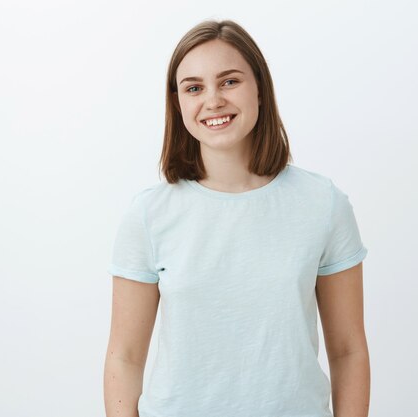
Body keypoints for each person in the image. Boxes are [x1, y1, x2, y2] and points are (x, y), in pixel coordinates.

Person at [104, 18, 370, 417]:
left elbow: (348, 350)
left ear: (259, 89)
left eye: (229, 81)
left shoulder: (322, 204)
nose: (212, 100)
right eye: (194, 88)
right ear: (178, 103)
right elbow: (124, 357)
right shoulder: (148, 215)